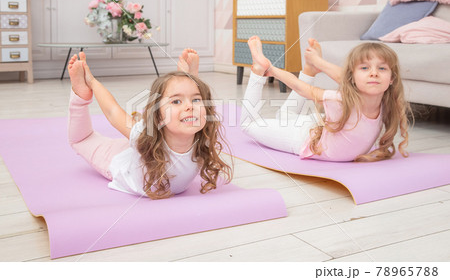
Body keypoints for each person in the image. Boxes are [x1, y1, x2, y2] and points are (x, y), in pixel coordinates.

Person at [67, 48, 232, 199]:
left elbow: (194, 107)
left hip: (145, 147)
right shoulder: (144, 136)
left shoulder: (203, 136)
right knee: (82, 140)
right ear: (159, 117)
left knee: (183, 98)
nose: (190, 106)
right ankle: (79, 96)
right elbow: (112, 112)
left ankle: (184, 82)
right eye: (176, 102)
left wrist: (191, 76)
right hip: (120, 159)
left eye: (196, 99)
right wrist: (92, 82)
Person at [241, 35, 412, 162]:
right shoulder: (342, 100)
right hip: (301, 137)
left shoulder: (387, 101)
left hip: (317, 128)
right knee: (247, 125)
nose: (374, 73)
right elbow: (303, 89)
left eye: (382, 68)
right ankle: (258, 70)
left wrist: (318, 61)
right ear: (352, 78)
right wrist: (270, 69)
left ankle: (309, 70)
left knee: (285, 117)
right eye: (365, 67)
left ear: (392, 79)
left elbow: (345, 78)